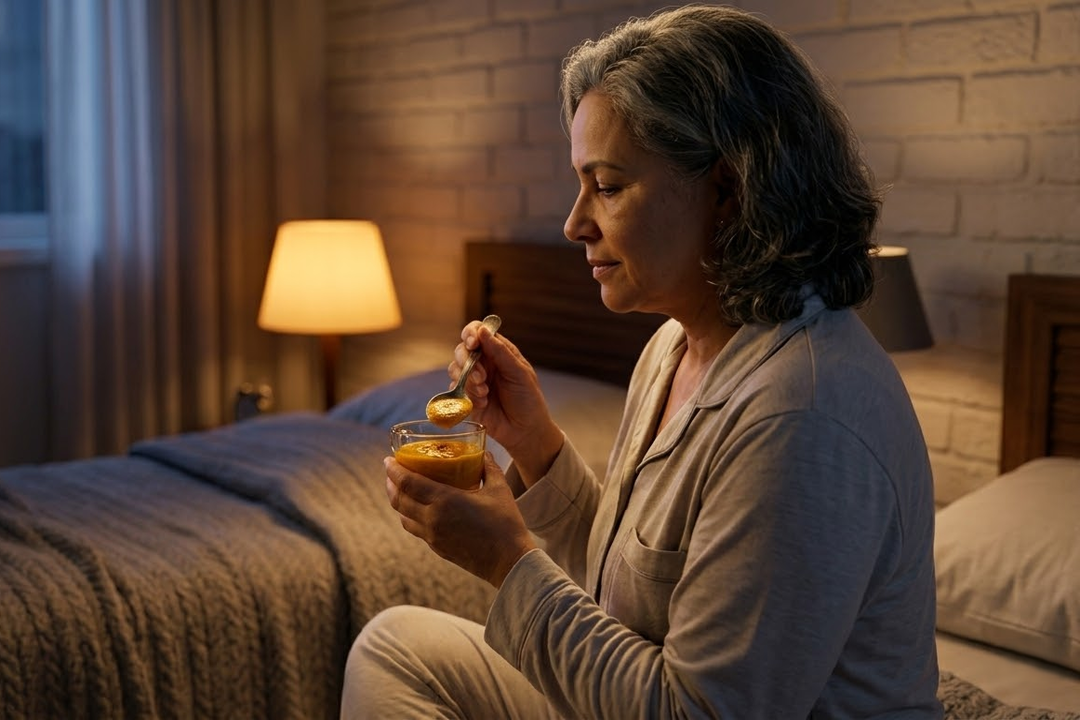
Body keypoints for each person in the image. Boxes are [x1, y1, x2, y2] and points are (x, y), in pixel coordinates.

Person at [341, 4, 941, 718]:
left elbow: (697, 710)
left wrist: (507, 561)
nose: (574, 223)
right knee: (396, 645)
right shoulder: (672, 346)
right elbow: (629, 591)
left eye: (610, 185)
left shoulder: (803, 415)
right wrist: (536, 448)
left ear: (728, 190)